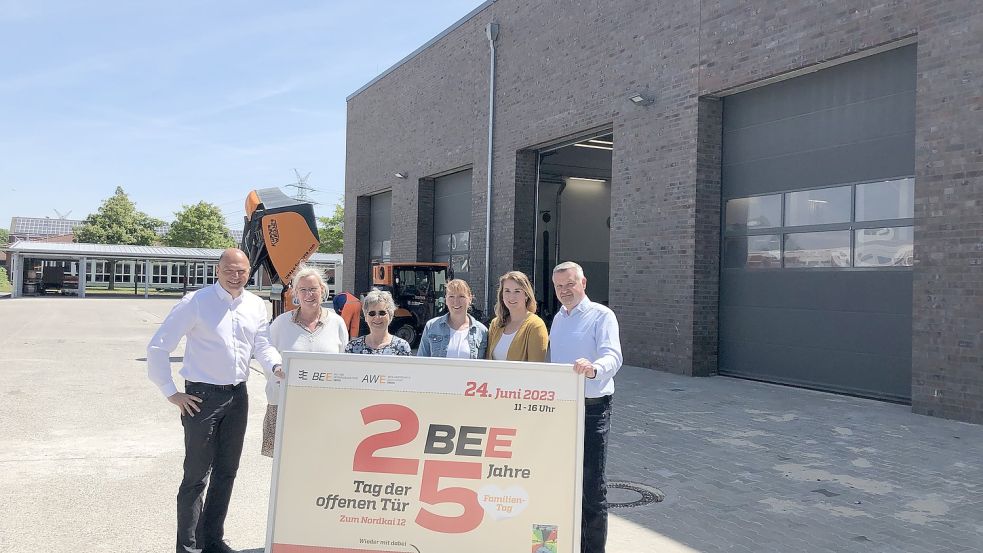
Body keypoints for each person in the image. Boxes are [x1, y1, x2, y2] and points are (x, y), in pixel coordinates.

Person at [147, 248, 282, 553]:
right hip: (201, 397)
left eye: (243, 271)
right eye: (230, 270)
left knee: (227, 471)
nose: (237, 276)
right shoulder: (195, 302)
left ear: (250, 272)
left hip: (237, 396)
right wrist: (172, 392)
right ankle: (189, 546)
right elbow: (158, 348)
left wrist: (275, 366)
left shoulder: (256, 305)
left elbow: (262, 344)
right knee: (196, 476)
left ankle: (212, 540)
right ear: (218, 271)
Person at [548, 261, 622, 553]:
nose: (565, 291)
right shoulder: (559, 318)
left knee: (591, 488)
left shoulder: (601, 316)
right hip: (563, 411)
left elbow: (613, 356)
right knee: (564, 485)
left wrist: (594, 368)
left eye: (570, 284)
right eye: (559, 286)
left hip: (593, 410)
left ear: (583, 283)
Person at [264, 266, 348, 457]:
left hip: (325, 406)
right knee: (285, 462)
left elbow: (342, 361)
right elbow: (267, 357)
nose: (309, 294)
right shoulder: (281, 324)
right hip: (286, 405)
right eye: (303, 290)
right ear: (295, 293)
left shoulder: (337, 323)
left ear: (323, 290)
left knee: (322, 458)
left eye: (313, 289)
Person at [486, 270, 548, 362]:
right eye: (507, 291)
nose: (512, 297)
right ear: (501, 295)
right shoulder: (496, 324)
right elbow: (488, 361)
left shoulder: (536, 325)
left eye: (517, 291)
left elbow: (536, 369)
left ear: (526, 295)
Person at [417, 279, 488, 359]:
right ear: (446, 300)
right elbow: (421, 362)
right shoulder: (432, 326)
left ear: (470, 299)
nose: (456, 302)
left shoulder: (482, 331)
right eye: (451, 296)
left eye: (461, 296)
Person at [344, 289, 412, 355]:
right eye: (372, 313)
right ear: (366, 317)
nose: (377, 317)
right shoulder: (352, 347)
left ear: (390, 315)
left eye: (382, 313)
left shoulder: (401, 347)